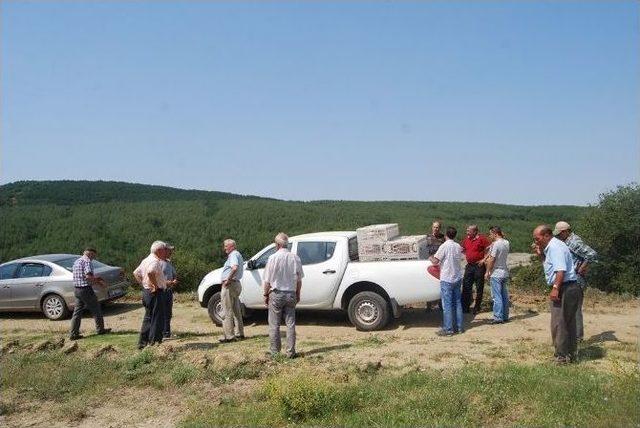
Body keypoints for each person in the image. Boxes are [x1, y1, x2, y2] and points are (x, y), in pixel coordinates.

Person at [532, 225, 581, 364]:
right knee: (568, 322)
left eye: (537, 239)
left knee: (558, 323)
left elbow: (560, 270)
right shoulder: (553, 247)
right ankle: (571, 354)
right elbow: (550, 266)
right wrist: (541, 254)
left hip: (564, 287)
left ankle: (561, 357)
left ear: (547, 235)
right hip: (570, 286)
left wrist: (555, 288)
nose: (536, 241)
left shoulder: (555, 247)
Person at [554, 221, 598, 341]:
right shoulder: (567, 241)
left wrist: (582, 267)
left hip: (576, 279)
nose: (558, 236)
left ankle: (578, 337)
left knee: (575, 308)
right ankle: (574, 335)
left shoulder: (573, 241)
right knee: (571, 308)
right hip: (573, 277)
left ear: (565, 231)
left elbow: (592, 254)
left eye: (560, 234)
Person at [262, 232, 304, 357]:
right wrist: (298, 294)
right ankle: (291, 352)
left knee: (274, 324)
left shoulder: (272, 258)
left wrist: (265, 294)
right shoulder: (295, 258)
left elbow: (267, 280)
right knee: (290, 324)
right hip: (291, 293)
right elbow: (299, 279)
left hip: (277, 294)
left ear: (278, 245)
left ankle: (275, 352)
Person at [69, 247, 111, 340]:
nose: (94, 258)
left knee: (77, 312)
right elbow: (88, 277)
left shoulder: (77, 262)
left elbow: (81, 276)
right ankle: (100, 330)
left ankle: (73, 334)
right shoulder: (87, 261)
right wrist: (99, 282)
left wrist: (95, 279)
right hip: (85, 289)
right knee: (96, 309)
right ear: (90, 254)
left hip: (77, 289)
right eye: (94, 256)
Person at [429, 226, 464, 336]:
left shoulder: (444, 246)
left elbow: (436, 261)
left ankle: (448, 329)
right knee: (457, 303)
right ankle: (459, 327)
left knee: (447, 305)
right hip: (457, 277)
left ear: (446, 235)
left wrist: (430, 257)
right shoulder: (458, 246)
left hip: (447, 278)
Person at [134, 241, 169, 349]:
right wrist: (154, 285)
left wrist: (144, 285)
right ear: (159, 250)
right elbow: (150, 272)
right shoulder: (154, 261)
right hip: (155, 292)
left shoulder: (146, 260)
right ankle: (154, 343)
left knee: (148, 317)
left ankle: (142, 343)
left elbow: (136, 273)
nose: (166, 252)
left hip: (147, 292)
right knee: (157, 318)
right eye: (165, 250)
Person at [461, 224, 491, 314]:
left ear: (475, 231)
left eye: (469, 230)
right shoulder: (466, 239)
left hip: (479, 266)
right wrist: (466, 254)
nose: (467, 232)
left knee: (479, 288)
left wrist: (484, 259)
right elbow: (462, 249)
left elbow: (491, 248)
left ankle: (476, 307)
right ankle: (465, 307)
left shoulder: (482, 239)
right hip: (469, 266)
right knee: (466, 286)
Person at [219, 239, 245, 343]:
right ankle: (240, 333)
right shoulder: (238, 254)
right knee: (236, 310)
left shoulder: (233, 255)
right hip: (236, 284)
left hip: (230, 285)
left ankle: (229, 336)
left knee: (227, 310)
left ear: (231, 246)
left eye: (225, 246)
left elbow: (234, 268)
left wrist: (228, 280)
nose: (224, 248)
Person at [484, 226, 510, 324]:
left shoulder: (496, 244)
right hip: (504, 271)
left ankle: (498, 317)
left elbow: (492, 259)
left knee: (496, 296)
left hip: (496, 272)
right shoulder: (506, 242)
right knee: (504, 295)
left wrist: (487, 272)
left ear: (495, 233)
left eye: (490, 234)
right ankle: (505, 316)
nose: (490, 236)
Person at [162, 244, 178, 339]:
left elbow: (174, 273)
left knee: (168, 312)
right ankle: (161, 333)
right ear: (164, 251)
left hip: (169, 290)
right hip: (162, 290)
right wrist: (169, 282)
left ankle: (166, 333)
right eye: (169, 250)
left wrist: (174, 279)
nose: (171, 252)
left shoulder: (168, 262)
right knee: (162, 312)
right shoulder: (158, 263)